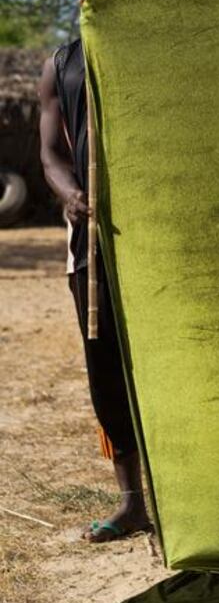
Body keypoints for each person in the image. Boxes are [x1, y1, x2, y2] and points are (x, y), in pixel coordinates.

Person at [39, 39, 151, 541]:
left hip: (154, 231)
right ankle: (132, 503)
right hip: (90, 241)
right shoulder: (61, 64)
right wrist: (71, 194)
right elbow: (51, 153)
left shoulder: (148, 44)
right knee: (104, 367)